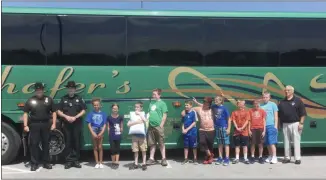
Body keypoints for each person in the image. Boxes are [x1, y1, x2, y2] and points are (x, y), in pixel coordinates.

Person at [23, 82, 56, 171]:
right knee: (34, 144)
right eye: (37, 90)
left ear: (43, 90)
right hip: (34, 124)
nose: (39, 91)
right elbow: (25, 113)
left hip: (46, 124)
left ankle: (46, 162)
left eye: (40, 89)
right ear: (35, 91)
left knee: (46, 144)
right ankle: (34, 163)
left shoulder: (48, 99)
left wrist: (54, 124)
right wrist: (25, 125)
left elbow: (54, 112)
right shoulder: (31, 100)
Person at [57, 81, 87, 169]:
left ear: (75, 89)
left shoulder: (79, 98)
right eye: (69, 88)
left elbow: (84, 110)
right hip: (66, 124)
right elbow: (58, 111)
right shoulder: (63, 99)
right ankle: (68, 161)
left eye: (72, 88)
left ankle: (76, 160)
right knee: (68, 142)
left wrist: (75, 117)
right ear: (67, 89)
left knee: (76, 142)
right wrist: (66, 116)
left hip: (77, 123)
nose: (71, 90)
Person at [278, 85, 307, 165]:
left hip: (295, 123)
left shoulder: (298, 101)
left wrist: (301, 123)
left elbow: (303, 114)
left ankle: (297, 158)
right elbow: (279, 115)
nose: (286, 92)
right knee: (286, 142)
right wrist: (279, 124)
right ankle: (287, 157)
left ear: (292, 91)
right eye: (285, 90)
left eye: (288, 90)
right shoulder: (282, 102)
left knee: (296, 141)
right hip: (285, 124)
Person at [186, 97, 215, 164]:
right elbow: (190, 109)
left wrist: (197, 102)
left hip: (211, 129)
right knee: (202, 142)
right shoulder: (199, 109)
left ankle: (208, 158)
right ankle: (210, 155)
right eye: (204, 102)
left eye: (206, 103)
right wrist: (184, 112)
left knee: (210, 145)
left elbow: (219, 105)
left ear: (209, 104)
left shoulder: (212, 109)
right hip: (202, 129)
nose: (205, 104)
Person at [146, 88, 168, 166]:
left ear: (159, 95)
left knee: (161, 143)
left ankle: (163, 159)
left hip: (158, 126)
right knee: (152, 143)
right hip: (151, 126)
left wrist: (161, 125)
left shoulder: (162, 103)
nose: (153, 95)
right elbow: (149, 113)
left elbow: (165, 115)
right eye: (153, 94)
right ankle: (151, 158)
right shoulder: (151, 103)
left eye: (154, 94)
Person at [86, 98, 107, 169]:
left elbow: (104, 124)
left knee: (100, 146)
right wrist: (92, 132)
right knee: (95, 147)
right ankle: (97, 162)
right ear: (93, 106)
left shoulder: (103, 114)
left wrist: (101, 132)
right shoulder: (91, 113)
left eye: (97, 105)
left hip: (101, 129)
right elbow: (89, 124)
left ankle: (101, 162)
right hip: (94, 129)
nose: (96, 106)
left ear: (100, 105)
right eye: (94, 105)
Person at [127, 101, 148, 171]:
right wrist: (136, 122)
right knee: (135, 150)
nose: (136, 108)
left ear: (141, 108)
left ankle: (144, 163)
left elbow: (145, 120)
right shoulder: (132, 115)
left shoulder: (143, 114)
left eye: (138, 107)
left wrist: (139, 114)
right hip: (134, 135)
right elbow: (128, 124)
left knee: (143, 150)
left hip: (142, 135)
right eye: (135, 107)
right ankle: (136, 163)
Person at [211, 95, 231, 166]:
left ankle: (227, 158)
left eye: (217, 100)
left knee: (226, 144)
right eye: (215, 100)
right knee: (220, 143)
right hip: (217, 128)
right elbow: (204, 106)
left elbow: (229, 119)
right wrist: (196, 102)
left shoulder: (224, 108)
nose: (215, 101)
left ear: (220, 101)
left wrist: (228, 128)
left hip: (224, 128)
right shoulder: (213, 107)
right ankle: (220, 157)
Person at [260, 91, 279, 164]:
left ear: (269, 97)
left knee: (272, 142)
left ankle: (274, 157)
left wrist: (275, 126)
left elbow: (276, 116)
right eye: (264, 97)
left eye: (266, 97)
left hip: (271, 125)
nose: (265, 98)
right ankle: (270, 156)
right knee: (267, 142)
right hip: (264, 127)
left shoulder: (273, 104)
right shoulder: (261, 106)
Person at [231, 100, 250, 164]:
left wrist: (242, 127)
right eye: (239, 104)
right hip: (236, 132)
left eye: (242, 104)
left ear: (244, 105)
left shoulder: (247, 112)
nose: (241, 105)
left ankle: (245, 158)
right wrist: (237, 128)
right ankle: (237, 158)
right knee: (237, 145)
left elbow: (247, 121)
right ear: (237, 105)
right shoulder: (234, 112)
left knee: (245, 146)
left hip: (244, 132)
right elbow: (233, 120)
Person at [249, 99, 266, 164]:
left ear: (259, 104)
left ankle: (260, 157)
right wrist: (249, 130)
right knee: (252, 143)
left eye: (257, 103)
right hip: (252, 129)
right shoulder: (250, 111)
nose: (256, 105)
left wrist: (264, 130)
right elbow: (249, 121)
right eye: (255, 103)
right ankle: (252, 157)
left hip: (260, 128)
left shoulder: (262, 111)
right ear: (253, 104)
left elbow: (264, 121)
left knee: (260, 143)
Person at [181, 100, 198, 165]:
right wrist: (183, 129)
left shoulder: (193, 112)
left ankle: (195, 159)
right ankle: (186, 159)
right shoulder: (184, 113)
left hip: (192, 132)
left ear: (191, 106)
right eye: (185, 105)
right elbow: (182, 122)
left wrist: (187, 129)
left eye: (187, 105)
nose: (186, 106)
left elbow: (194, 122)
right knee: (186, 146)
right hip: (185, 132)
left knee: (194, 146)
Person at [107, 103, 124, 169]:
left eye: (116, 108)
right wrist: (109, 134)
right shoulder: (109, 117)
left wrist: (121, 132)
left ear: (118, 109)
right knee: (112, 149)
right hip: (111, 135)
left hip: (118, 135)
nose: (115, 110)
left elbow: (122, 126)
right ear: (112, 109)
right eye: (114, 108)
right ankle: (113, 161)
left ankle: (117, 161)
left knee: (117, 148)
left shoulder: (120, 117)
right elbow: (108, 127)